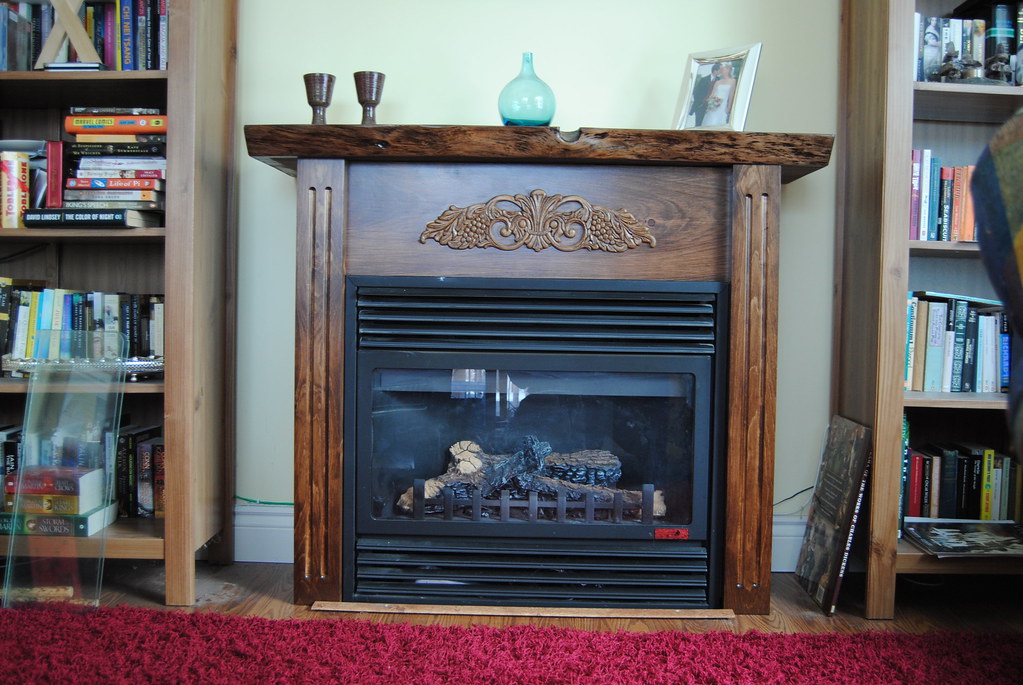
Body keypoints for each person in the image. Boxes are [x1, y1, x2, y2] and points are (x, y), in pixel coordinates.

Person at [701, 60, 736, 127]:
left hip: (723, 106)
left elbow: (731, 96)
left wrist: (728, 108)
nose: (722, 71)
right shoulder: (718, 82)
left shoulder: (733, 81)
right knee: (711, 121)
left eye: (723, 70)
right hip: (714, 105)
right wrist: (710, 104)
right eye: (721, 70)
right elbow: (712, 94)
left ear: (728, 70)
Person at [688, 62, 720, 127]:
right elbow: (696, 92)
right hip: (700, 106)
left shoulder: (719, 80)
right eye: (719, 70)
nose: (720, 72)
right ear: (715, 71)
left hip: (711, 106)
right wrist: (699, 103)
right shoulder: (704, 79)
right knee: (698, 125)